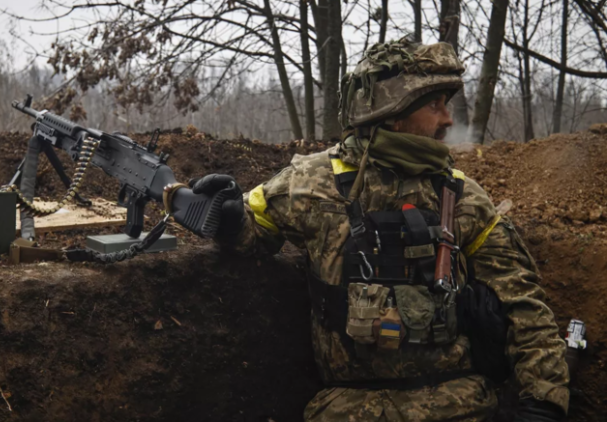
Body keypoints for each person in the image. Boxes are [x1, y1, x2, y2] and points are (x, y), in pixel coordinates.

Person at [191, 40, 569, 421]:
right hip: (348, 408)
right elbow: (253, 232)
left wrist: (543, 402)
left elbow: (524, 303)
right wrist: (228, 216)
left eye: (447, 104)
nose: (448, 119)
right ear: (393, 113)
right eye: (434, 105)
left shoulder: (463, 196)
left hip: (460, 404)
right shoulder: (312, 183)